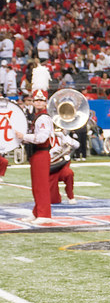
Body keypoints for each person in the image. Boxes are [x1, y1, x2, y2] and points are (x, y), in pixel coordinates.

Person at [14, 66, 57, 225]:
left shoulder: (43, 118)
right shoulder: (37, 116)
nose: (38, 102)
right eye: (36, 100)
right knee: (36, 185)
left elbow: (41, 138)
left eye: (41, 100)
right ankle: (37, 211)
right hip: (36, 154)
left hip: (41, 153)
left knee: (41, 185)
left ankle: (44, 214)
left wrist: (23, 136)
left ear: (45, 102)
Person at [49, 128, 78, 205]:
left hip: (61, 166)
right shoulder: (45, 138)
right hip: (49, 169)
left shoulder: (62, 137)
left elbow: (77, 145)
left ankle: (70, 196)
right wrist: (52, 152)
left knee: (69, 173)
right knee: (54, 201)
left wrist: (64, 136)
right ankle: (57, 195)